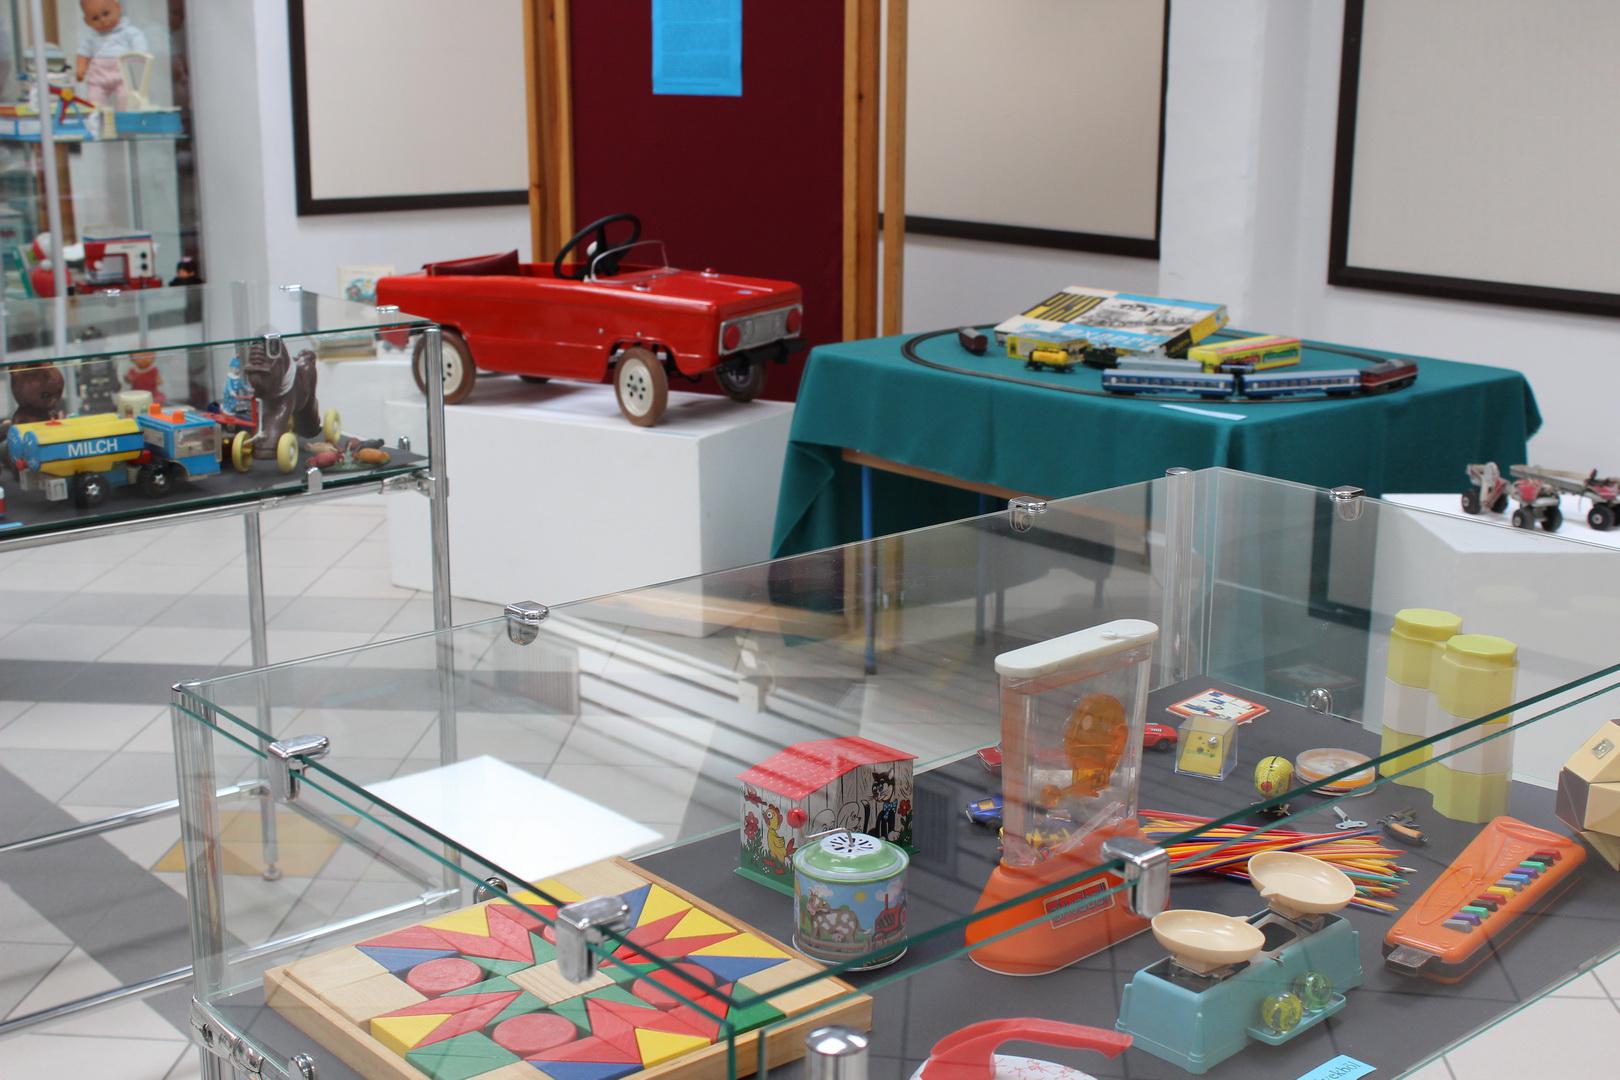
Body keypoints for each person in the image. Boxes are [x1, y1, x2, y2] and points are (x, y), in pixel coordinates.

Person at [76, 0, 148, 108]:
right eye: (95, 18)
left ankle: (124, 116)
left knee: (126, 96)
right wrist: (81, 68)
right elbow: (83, 52)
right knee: (94, 97)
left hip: (121, 73)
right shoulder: (91, 36)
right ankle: (98, 116)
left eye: (106, 14)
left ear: (118, 8)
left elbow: (137, 38)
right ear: (87, 21)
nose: (102, 20)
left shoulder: (126, 30)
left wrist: (139, 53)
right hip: (98, 75)